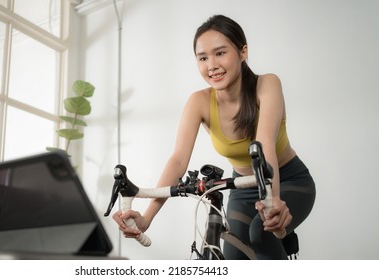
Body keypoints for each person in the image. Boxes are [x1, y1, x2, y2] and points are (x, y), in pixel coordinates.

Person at [112, 15, 316, 260]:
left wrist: (273, 200)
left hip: (288, 180)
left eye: (220, 53)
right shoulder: (198, 101)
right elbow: (178, 161)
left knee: (261, 235)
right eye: (203, 57)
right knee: (233, 256)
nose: (211, 65)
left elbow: (263, 147)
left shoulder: (267, 84)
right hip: (242, 189)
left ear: (243, 52)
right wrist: (146, 218)